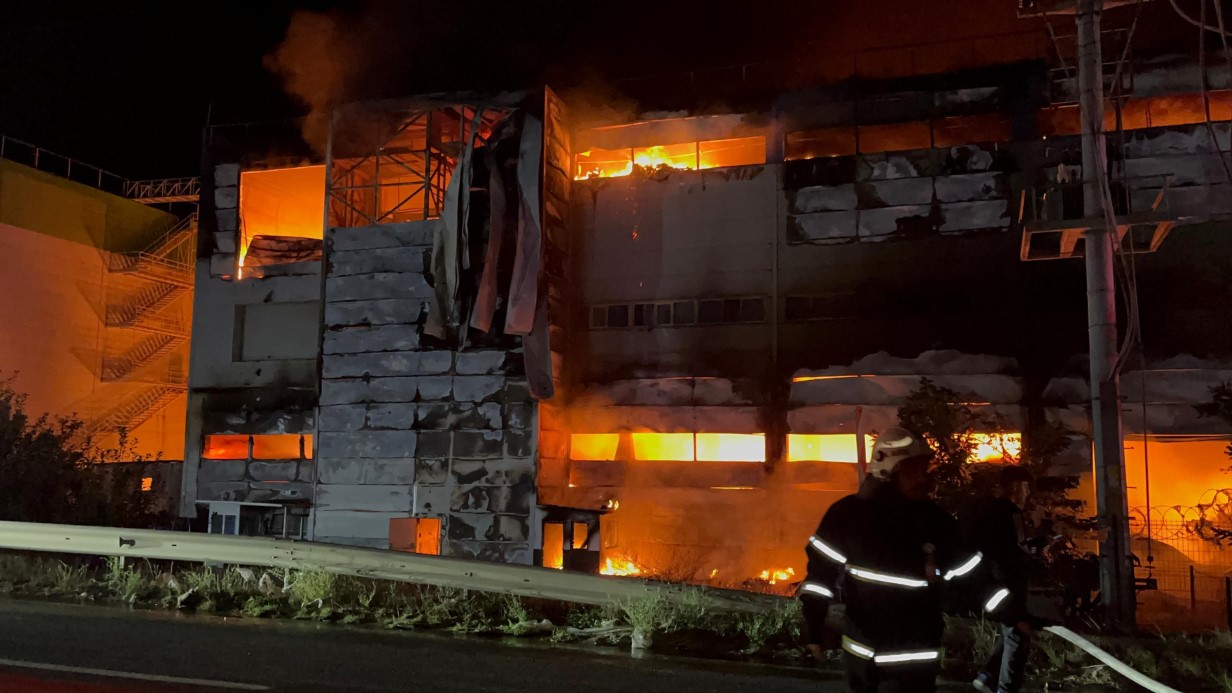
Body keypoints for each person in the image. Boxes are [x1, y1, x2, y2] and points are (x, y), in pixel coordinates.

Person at [799, 428, 1013, 693]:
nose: (925, 478)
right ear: (889, 471)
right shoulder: (848, 516)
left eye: (926, 469)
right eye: (916, 470)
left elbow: (972, 575)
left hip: (911, 666)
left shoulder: (934, 521)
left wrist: (1013, 613)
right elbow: (819, 578)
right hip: (863, 664)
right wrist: (814, 630)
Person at [965, 466, 1040, 693]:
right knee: (1018, 638)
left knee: (1011, 633)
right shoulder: (1010, 513)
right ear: (1015, 487)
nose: (1027, 493)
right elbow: (1014, 552)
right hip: (1007, 587)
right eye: (1025, 487)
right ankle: (1002, 688)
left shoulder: (990, 511)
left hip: (995, 587)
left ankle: (987, 676)